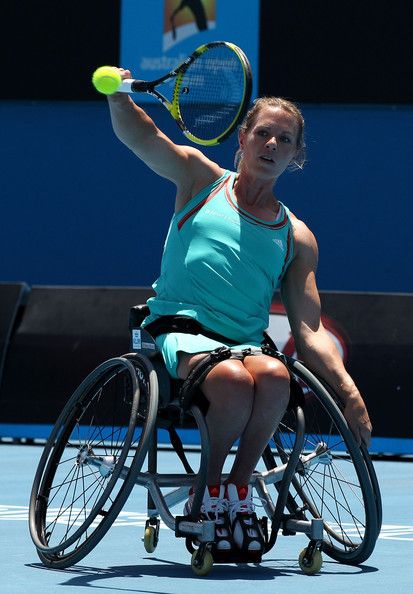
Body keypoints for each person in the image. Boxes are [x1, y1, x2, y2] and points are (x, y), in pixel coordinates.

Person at [107, 72, 372, 555]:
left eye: (284, 139)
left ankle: (238, 490)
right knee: (231, 382)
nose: (272, 144)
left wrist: (348, 391)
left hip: (246, 345)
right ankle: (207, 493)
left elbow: (308, 331)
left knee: (273, 377)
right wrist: (118, 97)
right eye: (263, 134)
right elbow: (143, 136)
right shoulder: (198, 179)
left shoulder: (297, 236)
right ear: (243, 140)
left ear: (296, 156)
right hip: (179, 330)